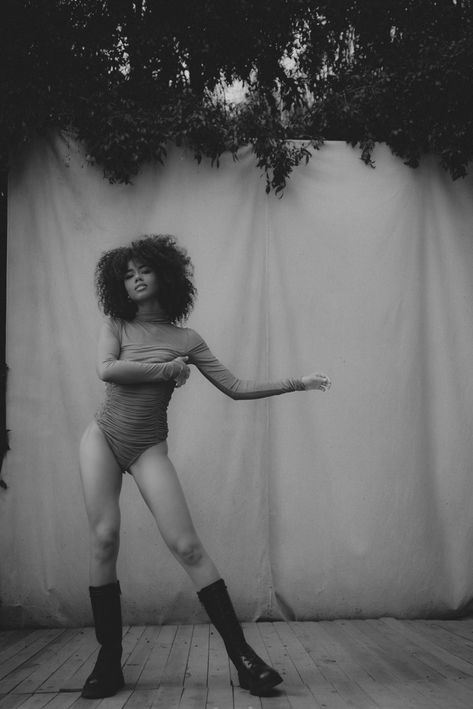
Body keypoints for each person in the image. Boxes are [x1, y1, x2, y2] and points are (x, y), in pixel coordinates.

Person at [79, 234, 331, 699]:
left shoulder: (187, 340)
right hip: (103, 437)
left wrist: (299, 382)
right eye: (128, 274)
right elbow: (107, 370)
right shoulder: (117, 325)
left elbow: (235, 387)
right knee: (105, 538)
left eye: (145, 270)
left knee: (188, 546)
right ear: (119, 284)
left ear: (165, 275)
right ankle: (108, 660)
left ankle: (244, 659)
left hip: (148, 446)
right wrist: (168, 370)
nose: (136, 278)